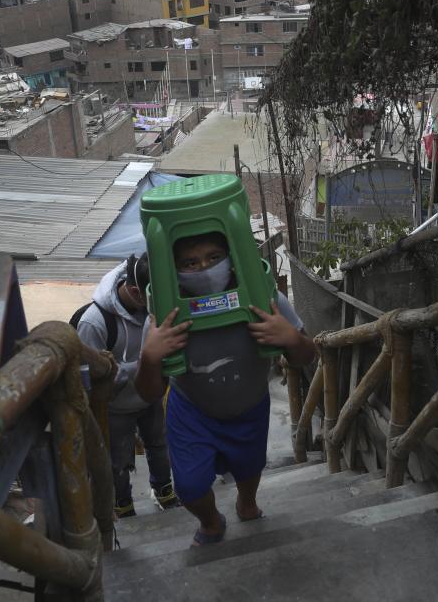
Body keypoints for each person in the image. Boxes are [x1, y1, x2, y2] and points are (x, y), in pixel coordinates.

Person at [135, 232, 315, 546]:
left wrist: (291, 339)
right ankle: (211, 521)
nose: (204, 268)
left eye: (214, 257)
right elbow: (149, 394)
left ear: (231, 257)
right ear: (173, 269)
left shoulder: (265, 300)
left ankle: (247, 503)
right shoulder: (164, 317)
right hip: (192, 410)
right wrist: (149, 358)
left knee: (249, 465)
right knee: (189, 487)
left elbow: (306, 356)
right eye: (190, 263)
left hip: (250, 407)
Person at [76, 253, 179, 518]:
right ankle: (122, 505)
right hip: (114, 406)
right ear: (135, 291)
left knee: (158, 444)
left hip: (150, 397)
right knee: (116, 461)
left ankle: (165, 492)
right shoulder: (94, 323)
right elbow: (87, 378)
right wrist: (145, 363)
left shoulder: (153, 305)